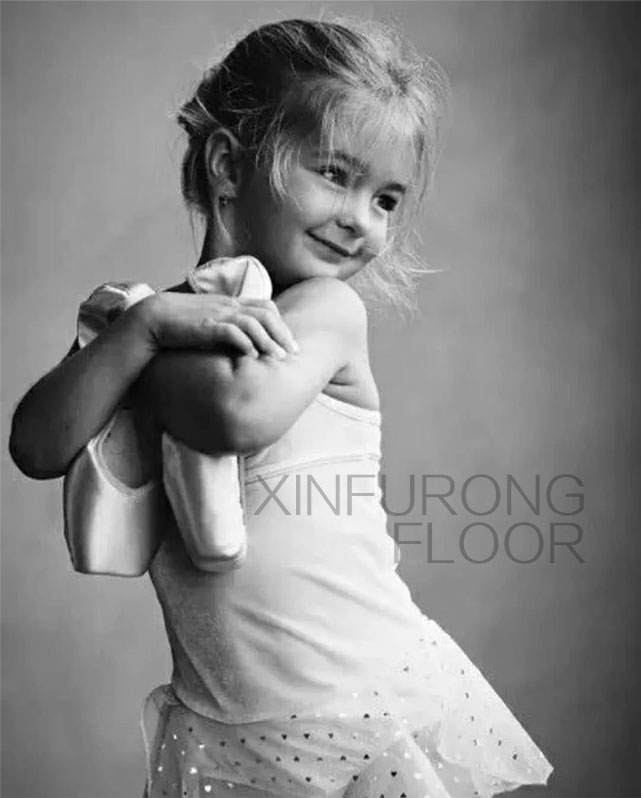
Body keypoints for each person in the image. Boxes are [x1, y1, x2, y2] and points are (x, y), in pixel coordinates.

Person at [9, 16, 554, 798]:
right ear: (229, 165)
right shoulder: (144, 322)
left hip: (358, 703)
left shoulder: (325, 313)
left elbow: (234, 414)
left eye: (386, 199)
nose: (361, 218)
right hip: (227, 731)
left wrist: (140, 346)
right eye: (334, 174)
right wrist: (143, 327)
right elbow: (36, 446)